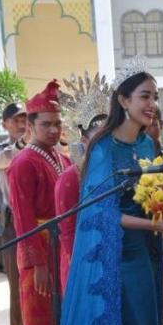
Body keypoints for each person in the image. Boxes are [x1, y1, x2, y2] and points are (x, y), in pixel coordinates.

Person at [2, 59, 163, 325]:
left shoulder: (149, 145)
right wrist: (157, 224)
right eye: (144, 96)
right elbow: (100, 214)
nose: (151, 104)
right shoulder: (103, 149)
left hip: (147, 258)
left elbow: (159, 196)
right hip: (117, 263)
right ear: (123, 101)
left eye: (155, 97)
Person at [6, 80, 73, 325]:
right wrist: (38, 264)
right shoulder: (23, 163)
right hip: (38, 253)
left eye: (57, 123)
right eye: (46, 124)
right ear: (29, 126)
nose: (53, 130)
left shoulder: (62, 158)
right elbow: (22, 218)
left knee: (61, 324)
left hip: (61, 249)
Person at [55, 113, 107, 291]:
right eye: (99, 139)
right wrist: (82, 265)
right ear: (84, 141)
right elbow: (67, 230)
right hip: (81, 262)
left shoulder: (116, 172)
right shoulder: (70, 178)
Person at [0, 102, 27, 325]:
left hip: (41, 221)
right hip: (14, 222)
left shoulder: (37, 143)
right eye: (16, 119)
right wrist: (26, 143)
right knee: (18, 284)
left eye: (25, 118)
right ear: (5, 124)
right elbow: (4, 160)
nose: (22, 123)